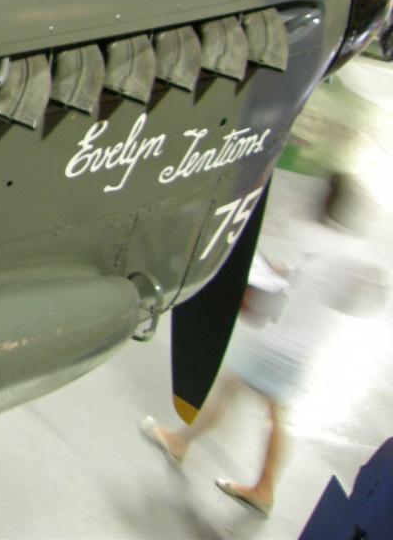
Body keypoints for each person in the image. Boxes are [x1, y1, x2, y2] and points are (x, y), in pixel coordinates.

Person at [140, 173, 387, 516]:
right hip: (293, 344)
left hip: (284, 345)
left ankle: (209, 458)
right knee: (249, 401)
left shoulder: (328, 242)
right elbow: (333, 288)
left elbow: (341, 288)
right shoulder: (342, 246)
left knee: (245, 399)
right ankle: (228, 468)